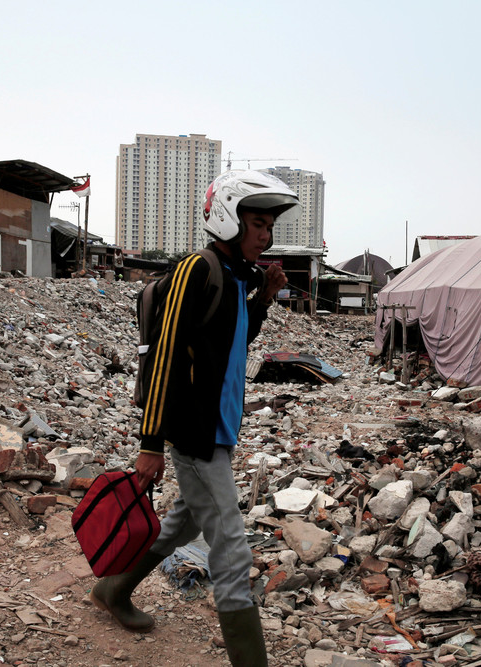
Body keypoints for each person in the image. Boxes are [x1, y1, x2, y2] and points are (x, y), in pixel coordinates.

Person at [90, 170, 294, 666]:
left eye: (269, 227)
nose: (266, 235)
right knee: (229, 546)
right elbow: (164, 359)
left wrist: (263, 298)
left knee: (182, 523)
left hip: (218, 428)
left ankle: (113, 590)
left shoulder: (235, 277)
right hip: (192, 431)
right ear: (229, 219)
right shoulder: (196, 271)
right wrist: (151, 443)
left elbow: (232, 344)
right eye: (258, 224)